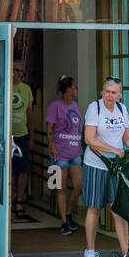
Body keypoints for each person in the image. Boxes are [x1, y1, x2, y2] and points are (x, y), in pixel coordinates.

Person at [82, 76, 129, 257]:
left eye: (113, 92)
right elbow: (89, 138)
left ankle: (126, 253)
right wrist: (113, 149)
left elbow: (127, 136)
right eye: (107, 91)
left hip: (115, 167)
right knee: (94, 207)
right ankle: (89, 252)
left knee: (118, 210)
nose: (110, 95)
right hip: (96, 164)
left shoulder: (122, 109)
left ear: (119, 95)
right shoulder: (95, 108)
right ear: (102, 92)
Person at [45, 75, 83, 235]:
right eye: (74, 87)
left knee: (78, 186)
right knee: (60, 189)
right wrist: (52, 145)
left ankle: (68, 212)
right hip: (59, 154)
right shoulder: (56, 106)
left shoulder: (75, 105)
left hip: (75, 153)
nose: (76, 90)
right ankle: (64, 221)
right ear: (67, 89)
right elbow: (49, 130)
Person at [11, 55, 34, 222]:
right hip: (6, 136)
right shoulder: (1, 85)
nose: (19, 73)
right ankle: (8, 200)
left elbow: (30, 114)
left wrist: (32, 137)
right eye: (16, 70)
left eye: (21, 71)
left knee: (24, 170)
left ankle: (19, 201)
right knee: (8, 170)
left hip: (22, 136)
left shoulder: (26, 89)